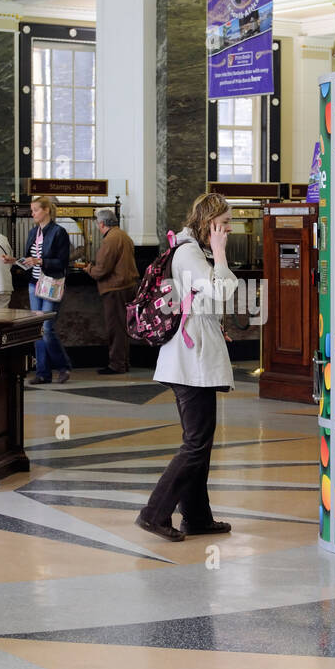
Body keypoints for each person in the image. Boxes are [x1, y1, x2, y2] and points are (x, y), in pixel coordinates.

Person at [135, 193, 237, 542]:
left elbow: (206, 299)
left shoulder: (191, 250)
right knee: (196, 443)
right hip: (189, 362)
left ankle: (196, 517)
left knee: (200, 443)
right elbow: (222, 290)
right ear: (209, 224)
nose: (229, 229)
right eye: (224, 224)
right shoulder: (190, 253)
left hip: (193, 359)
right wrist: (221, 253)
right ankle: (154, 513)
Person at [2, 195, 71, 384]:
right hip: (34, 283)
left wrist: (40, 261)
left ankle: (63, 366)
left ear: (46, 210)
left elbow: (63, 262)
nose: (32, 214)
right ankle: (42, 372)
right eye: (32, 211)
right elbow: (29, 259)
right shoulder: (34, 232)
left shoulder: (59, 232)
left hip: (51, 284)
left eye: (35, 210)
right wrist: (15, 260)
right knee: (37, 329)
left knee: (47, 328)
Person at [77, 208, 139, 375]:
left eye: (98, 224)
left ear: (102, 223)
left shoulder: (110, 239)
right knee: (123, 327)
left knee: (115, 328)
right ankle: (123, 362)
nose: (98, 226)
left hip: (115, 289)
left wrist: (89, 268)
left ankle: (116, 364)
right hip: (128, 286)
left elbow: (102, 270)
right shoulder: (123, 236)